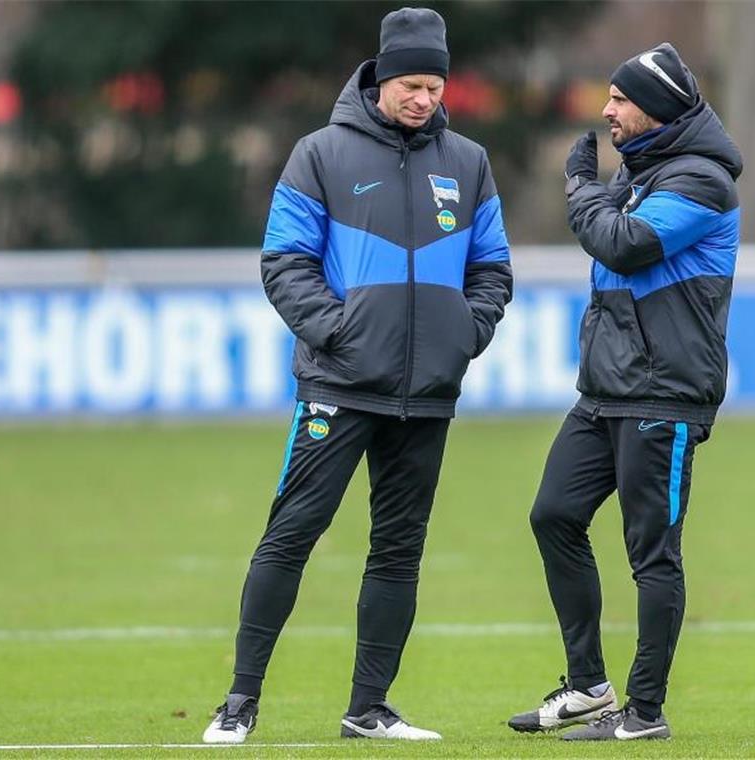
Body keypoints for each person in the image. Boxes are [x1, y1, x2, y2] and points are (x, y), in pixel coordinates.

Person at [202, 7, 512, 744]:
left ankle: (369, 708)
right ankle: (240, 701)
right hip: (339, 388)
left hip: (427, 396)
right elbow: (284, 261)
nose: (424, 100)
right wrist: (339, 335)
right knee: (291, 537)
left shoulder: (467, 163)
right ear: (381, 78)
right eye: (411, 84)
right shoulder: (320, 154)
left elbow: (493, 268)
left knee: (399, 551)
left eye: (435, 86)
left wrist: (462, 337)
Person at [507, 42, 742, 741]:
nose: (606, 110)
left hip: (663, 394)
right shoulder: (643, 172)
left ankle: (643, 712)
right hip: (607, 389)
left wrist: (580, 188)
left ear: (659, 107)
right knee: (553, 515)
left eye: (620, 99)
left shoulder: (702, 182)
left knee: (652, 555)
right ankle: (587, 688)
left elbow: (625, 245)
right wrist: (599, 189)